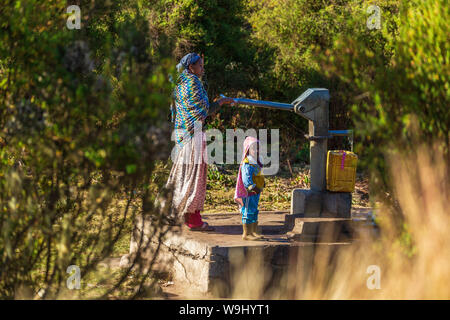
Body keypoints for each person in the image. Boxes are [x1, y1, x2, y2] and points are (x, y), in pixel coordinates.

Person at [166, 52, 234, 231]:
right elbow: (202, 111)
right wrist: (221, 102)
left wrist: (218, 102)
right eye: (201, 66)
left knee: (182, 176)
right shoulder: (193, 83)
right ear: (191, 67)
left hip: (183, 135)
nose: (203, 69)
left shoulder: (180, 82)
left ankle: (173, 212)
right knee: (194, 178)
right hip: (193, 136)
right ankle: (193, 220)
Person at [234, 136, 265, 240]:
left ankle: (253, 231)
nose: (256, 150)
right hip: (249, 192)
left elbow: (259, 174)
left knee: (254, 210)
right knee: (247, 210)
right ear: (247, 149)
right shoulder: (247, 163)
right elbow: (246, 179)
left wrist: (262, 183)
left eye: (258, 148)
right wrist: (252, 188)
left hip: (257, 190)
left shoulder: (257, 161)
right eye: (253, 148)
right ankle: (246, 234)